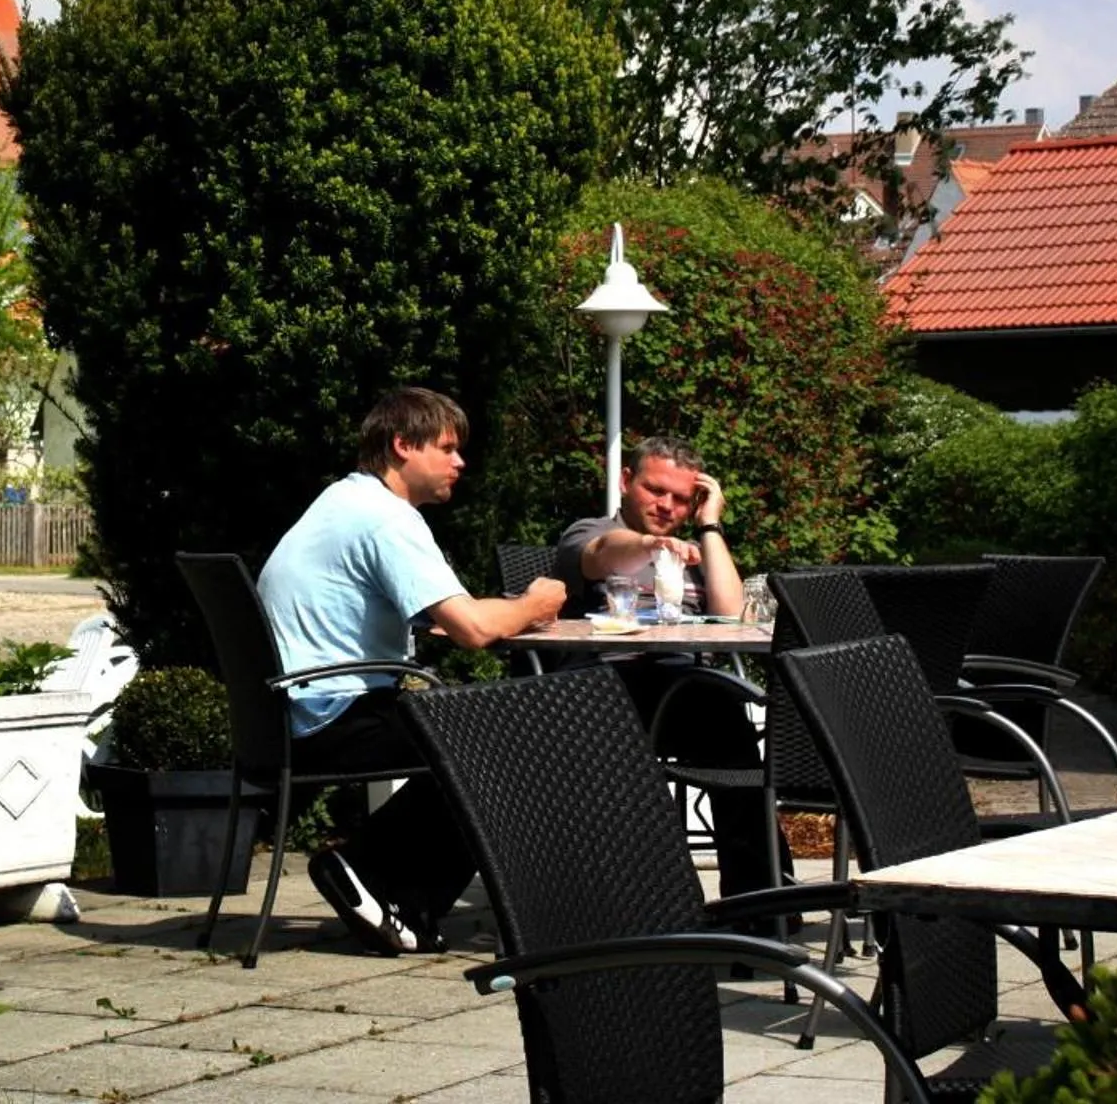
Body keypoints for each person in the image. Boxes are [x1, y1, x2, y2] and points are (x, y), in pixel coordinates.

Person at [258, 386, 567, 956]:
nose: (460, 462)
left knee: (478, 734)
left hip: (294, 713)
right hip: (336, 716)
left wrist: (495, 613)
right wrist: (536, 604)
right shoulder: (386, 520)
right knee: (504, 742)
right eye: (447, 448)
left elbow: (445, 616)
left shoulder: (343, 502)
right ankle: (387, 889)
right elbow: (473, 630)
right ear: (403, 445)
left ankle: (376, 879)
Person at [555, 436, 781, 906]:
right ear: (625, 482)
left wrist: (710, 525)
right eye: (655, 490)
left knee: (731, 725)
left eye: (681, 498)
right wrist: (649, 545)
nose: (666, 506)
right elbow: (601, 554)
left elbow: (734, 612)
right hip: (602, 692)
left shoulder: (692, 553)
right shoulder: (590, 530)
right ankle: (663, 903)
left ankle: (760, 903)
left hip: (683, 691)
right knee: (715, 708)